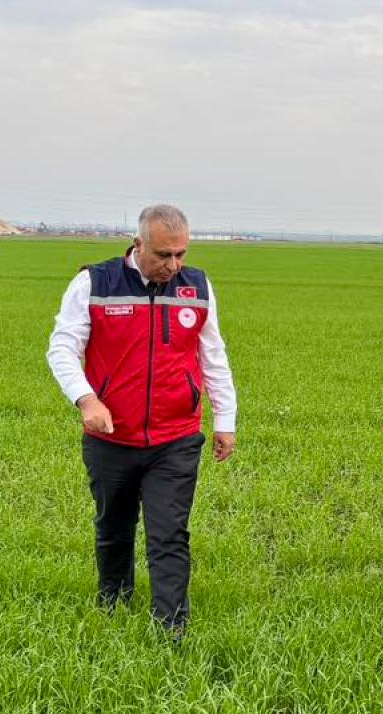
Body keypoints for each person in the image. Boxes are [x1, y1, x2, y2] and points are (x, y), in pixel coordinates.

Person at [46, 204, 237, 636]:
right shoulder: (95, 282)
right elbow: (61, 348)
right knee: (114, 527)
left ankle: (171, 625)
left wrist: (225, 418)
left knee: (169, 534)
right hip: (112, 437)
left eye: (181, 254)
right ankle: (113, 603)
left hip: (176, 436)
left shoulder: (197, 287)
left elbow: (213, 356)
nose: (173, 265)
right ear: (138, 245)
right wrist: (87, 400)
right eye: (163, 255)